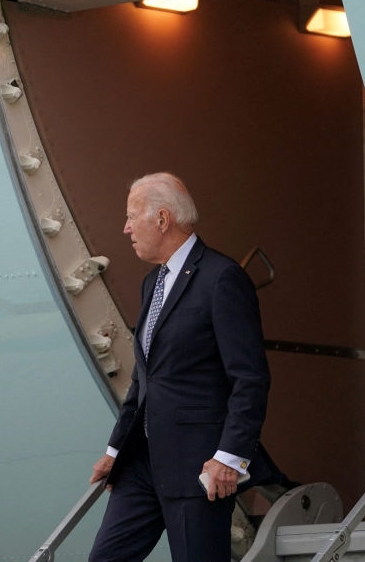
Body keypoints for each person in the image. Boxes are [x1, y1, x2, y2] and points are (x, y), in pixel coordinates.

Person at [88, 173, 282, 562]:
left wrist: (229, 457)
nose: (125, 228)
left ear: (162, 219)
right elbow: (147, 378)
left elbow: (249, 377)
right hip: (142, 463)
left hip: (199, 467)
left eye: (131, 217)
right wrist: (115, 448)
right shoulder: (151, 284)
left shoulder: (221, 278)